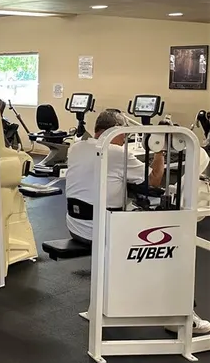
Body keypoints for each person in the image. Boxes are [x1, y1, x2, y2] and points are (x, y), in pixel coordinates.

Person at [65, 109, 209, 335]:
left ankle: (115, 302)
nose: (125, 140)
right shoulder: (116, 153)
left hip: (76, 226)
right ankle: (180, 316)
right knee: (171, 245)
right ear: (120, 132)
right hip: (100, 230)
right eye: (125, 135)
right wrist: (159, 152)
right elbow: (155, 179)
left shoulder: (76, 147)